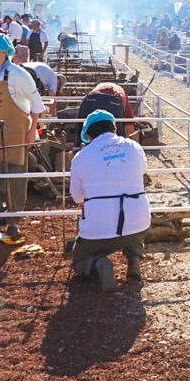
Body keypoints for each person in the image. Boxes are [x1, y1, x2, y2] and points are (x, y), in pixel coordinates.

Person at [0, 33, 46, 240]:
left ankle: (14, 218)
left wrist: (32, 132)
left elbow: (36, 105)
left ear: (5, 52)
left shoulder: (19, 75)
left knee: (14, 172)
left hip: (16, 127)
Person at [69, 110, 150, 292]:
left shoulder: (81, 157)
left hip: (100, 230)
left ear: (88, 135)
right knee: (132, 209)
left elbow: (77, 198)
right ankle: (134, 259)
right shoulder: (134, 147)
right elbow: (142, 172)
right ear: (114, 128)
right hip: (139, 224)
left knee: (80, 259)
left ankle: (98, 264)